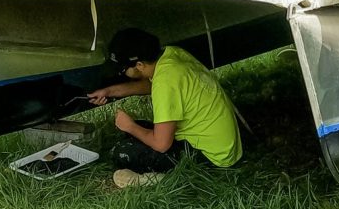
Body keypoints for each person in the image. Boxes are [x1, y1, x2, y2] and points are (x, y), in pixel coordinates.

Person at [87, 28, 242, 188]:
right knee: (137, 131)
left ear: (139, 65)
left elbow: (161, 144)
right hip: (223, 146)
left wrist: (130, 126)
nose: (123, 74)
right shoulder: (171, 55)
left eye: (123, 70)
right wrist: (110, 91)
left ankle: (169, 178)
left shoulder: (165, 82)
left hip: (212, 159)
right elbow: (151, 85)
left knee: (122, 151)